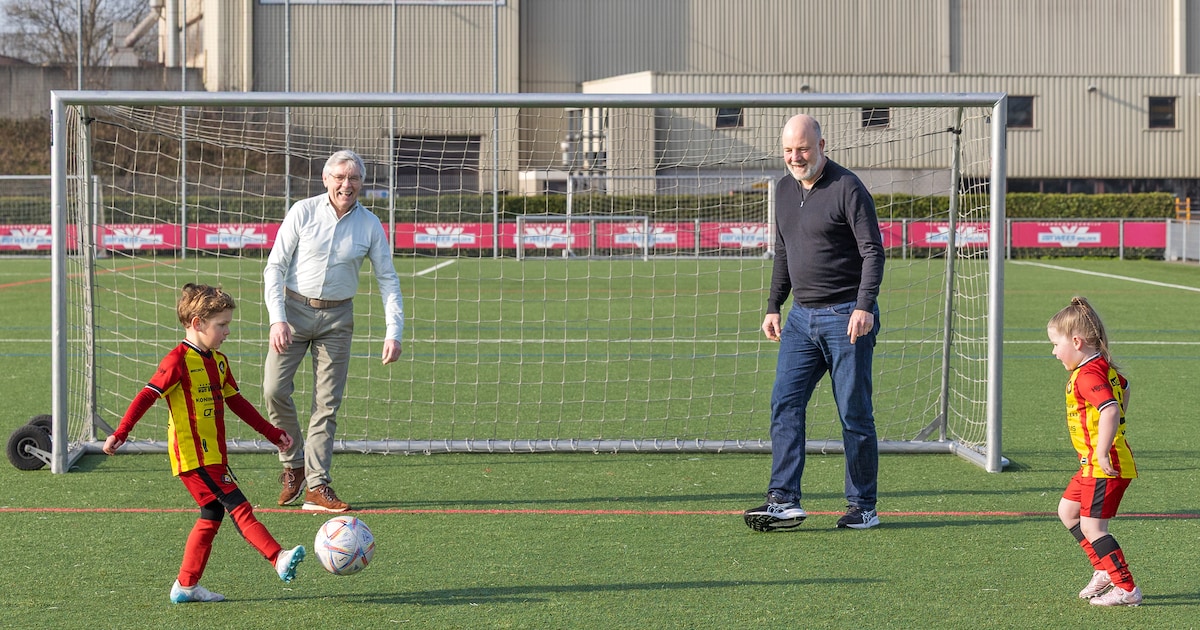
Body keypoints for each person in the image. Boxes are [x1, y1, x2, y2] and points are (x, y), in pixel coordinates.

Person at [103, 283, 305, 604]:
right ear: (197, 323)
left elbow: (238, 404)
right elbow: (146, 396)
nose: (227, 331)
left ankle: (186, 585)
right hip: (194, 456)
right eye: (221, 325)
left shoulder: (219, 362)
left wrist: (273, 433)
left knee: (212, 514)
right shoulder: (177, 361)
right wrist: (121, 432)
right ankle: (277, 557)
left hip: (213, 455)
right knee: (239, 506)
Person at [743, 114, 885, 532]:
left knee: (854, 414)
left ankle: (863, 506)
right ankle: (783, 500)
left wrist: (864, 306)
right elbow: (784, 252)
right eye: (788, 150)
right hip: (801, 320)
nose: (794, 157)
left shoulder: (848, 187)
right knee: (785, 403)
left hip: (847, 318)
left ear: (822, 144)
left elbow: (873, 252)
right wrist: (774, 305)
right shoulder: (783, 189)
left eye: (802, 149)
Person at [263, 149, 404, 513]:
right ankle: (293, 462)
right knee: (273, 389)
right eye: (339, 177)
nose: (347, 184)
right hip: (293, 313)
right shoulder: (302, 211)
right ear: (326, 179)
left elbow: (387, 279)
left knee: (326, 405)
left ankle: (317, 484)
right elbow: (274, 267)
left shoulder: (370, 224)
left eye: (353, 178)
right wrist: (277, 318)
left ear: (361, 183)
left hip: (338, 321)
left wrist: (394, 331)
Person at [1047, 296, 1142, 606]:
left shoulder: (1087, 375)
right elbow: (1124, 387)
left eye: (1055, 344)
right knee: (1067, 511)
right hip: (1092, 464)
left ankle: (1126, 588)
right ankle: (1103, 569)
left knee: (1092, 526)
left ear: (1076, 341)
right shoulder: (1099, 366)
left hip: (1104, 464)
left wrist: (1104, 449)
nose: (1053, 351)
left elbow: (1111, 408)